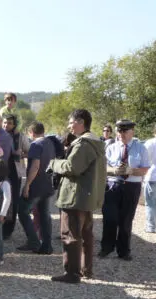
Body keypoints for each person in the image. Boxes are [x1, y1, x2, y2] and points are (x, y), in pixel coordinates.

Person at [46, 109, 107, 283]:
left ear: (81, 122)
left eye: (71, 122)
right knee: (86, 234)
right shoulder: (96, 142)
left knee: (71, 234)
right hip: (86, 197)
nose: (69, 126)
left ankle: (72, 273)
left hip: (74, 196)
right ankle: (86, 269)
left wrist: (54, 163)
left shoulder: (83, 144)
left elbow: (72, 167)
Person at [100, 119, 150, 260]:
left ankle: (123, 251)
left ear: (132, 132)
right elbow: (104, 167)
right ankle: (106, 248)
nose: (121, 134)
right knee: (109, 218)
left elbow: (145, 169)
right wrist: (114, 170)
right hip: (113, 185)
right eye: (119, 131)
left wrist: (131, 170)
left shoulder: (141, 148)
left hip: (131, 186)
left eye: (124, 131)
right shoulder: (111, 147)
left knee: (126, 220)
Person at [16, 122, 56, 254]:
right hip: (47, 183)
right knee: (45, 215)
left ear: (31, 132)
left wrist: (27, 184)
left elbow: (35, 166)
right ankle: (47, 245)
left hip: (36, 185)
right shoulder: (49, 143)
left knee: (22, 211)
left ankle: (33, 241)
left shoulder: (35, 145)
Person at [2, 114, 31, 239]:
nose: (6, 125)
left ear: (14, 125)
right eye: (4, 122)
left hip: (14, 173)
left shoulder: (20, 137)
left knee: (12, 201)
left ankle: (8, 230)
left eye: (9, 123)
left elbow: (29, 152)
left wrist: (20, 154)